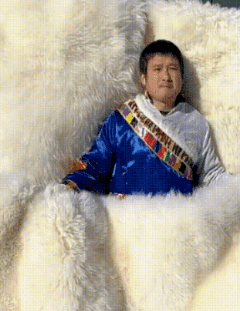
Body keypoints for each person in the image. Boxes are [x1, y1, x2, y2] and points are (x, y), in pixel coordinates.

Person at [62, 40, 228, 196]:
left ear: (182, 79)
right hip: (127, 215)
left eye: (173, 68)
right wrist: (68, 190)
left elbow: (211, 176)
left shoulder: (197, 123)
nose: (166, 76)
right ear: (143, 79)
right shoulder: (121, 120)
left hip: (179, 215)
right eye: (157, 69)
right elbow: (94, 167)